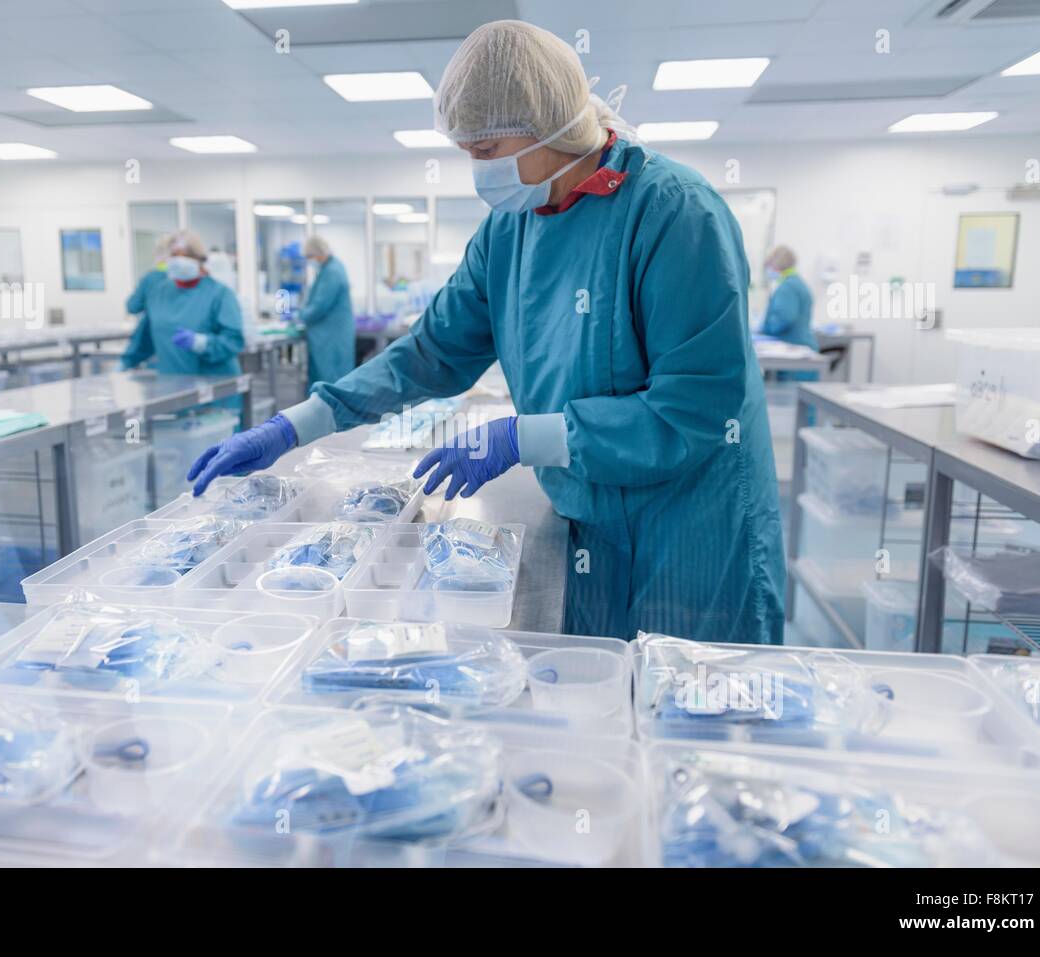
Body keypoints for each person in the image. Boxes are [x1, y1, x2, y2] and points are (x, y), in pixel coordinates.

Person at [187, 20, 784, 644]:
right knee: (595, 705)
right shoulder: (510, 231)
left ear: (549, 128)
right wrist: (298, 423)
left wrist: (524, 437)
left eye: (484, 151)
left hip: (691, 529)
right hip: (588, 515)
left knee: (701, 708)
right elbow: (431, 350)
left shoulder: (674, 213)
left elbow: (696, 411)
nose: (475, 169)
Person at [121, 230, 245, 379]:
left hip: (215, 385)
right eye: (174, 255)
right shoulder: (158, 293)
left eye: (186, 255)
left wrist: (201, 343)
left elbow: (234, 341)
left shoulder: (220, 294)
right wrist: (125, 363)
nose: (179, 261)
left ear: (200, 259)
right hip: (171, 383)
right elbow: (144, 338)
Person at [298, 235, 356, 388]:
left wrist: (300, 315)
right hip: (331, 333)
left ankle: (329, 411)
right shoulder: (330, 268)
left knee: (331, 380)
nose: (310, 261)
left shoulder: (332, 272)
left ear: (318, 253)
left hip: (330, 336)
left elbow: (320, 305)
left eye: (310, 257)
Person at [759, 245, 816, 350]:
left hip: (793, 347)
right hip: (801, 345)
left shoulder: (787, 287)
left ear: (775, 265)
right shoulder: (797, 283)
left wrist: (764, 328)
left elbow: (784, 318)